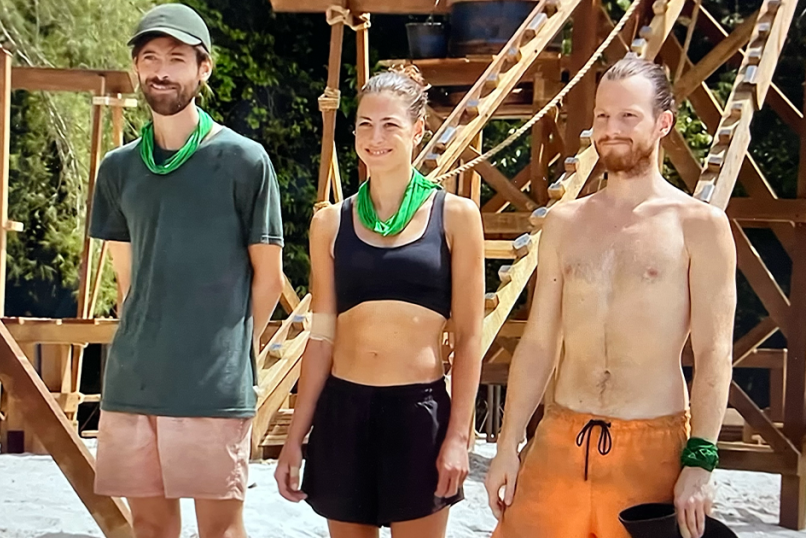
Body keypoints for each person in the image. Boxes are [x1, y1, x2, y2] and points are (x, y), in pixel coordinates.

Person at [483, 57, 736, 538]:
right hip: (559, 441)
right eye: (602, 116)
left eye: (628, 116)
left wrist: (700, 460)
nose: (611, 129)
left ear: (663, 123)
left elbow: (714, 352)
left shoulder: (700, 226)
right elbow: (539, 342)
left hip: (651, 446)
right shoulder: (564, 223)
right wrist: (507, 445)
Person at [88, 4, 285, 538]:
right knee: (149, 526)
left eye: (176, 59)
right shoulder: (118, 168)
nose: (161, 71)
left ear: (204, 68)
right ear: (136, 67)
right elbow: (127, 283)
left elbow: (268, 277)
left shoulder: (245, 161)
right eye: (150, 58)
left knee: (219, 529)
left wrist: (232, 354)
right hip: (134, 380)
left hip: (211, 386)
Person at [274, 66, 486, 538]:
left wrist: (458, 436)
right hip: (344, 413)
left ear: (418, 130)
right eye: (365, 125)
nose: (376, 137)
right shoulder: (330, 223)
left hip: (418, 413)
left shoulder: (456, 216)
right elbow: (321, 337)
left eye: (390, 125)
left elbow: (471, 338)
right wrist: (294, 438)